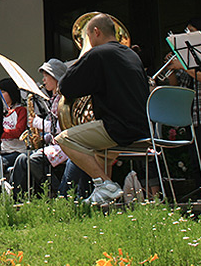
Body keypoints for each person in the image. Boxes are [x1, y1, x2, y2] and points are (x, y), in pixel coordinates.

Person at [55, 13, 149, 204]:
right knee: (100, 153)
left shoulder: (98, 54)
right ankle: (105, 199)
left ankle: (105, 184)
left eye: (87, 36)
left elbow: (66, 86)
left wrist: (84, 55)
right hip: (142, 128)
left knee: (64, 139)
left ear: (96, 32)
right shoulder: (131, 55)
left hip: (120, 128)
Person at [166, 17, 201, 194]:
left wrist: (182, 66)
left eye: (190, 31)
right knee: (194, 158)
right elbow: (177, 85)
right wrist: (171, 69)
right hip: (191, 115)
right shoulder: (187, 58)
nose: (186, 34)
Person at [9, 58, 68, 196]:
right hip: (54, 144)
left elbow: (60, 127)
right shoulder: (53, 99)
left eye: (46, 76)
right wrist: (42, 138)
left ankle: (56, 192)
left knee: (34, 161)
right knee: (21, 159)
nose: (43, 80)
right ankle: (17, 196)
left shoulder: (63, 99)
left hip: (65, 147)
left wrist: (38, 122)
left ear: (55, 77)